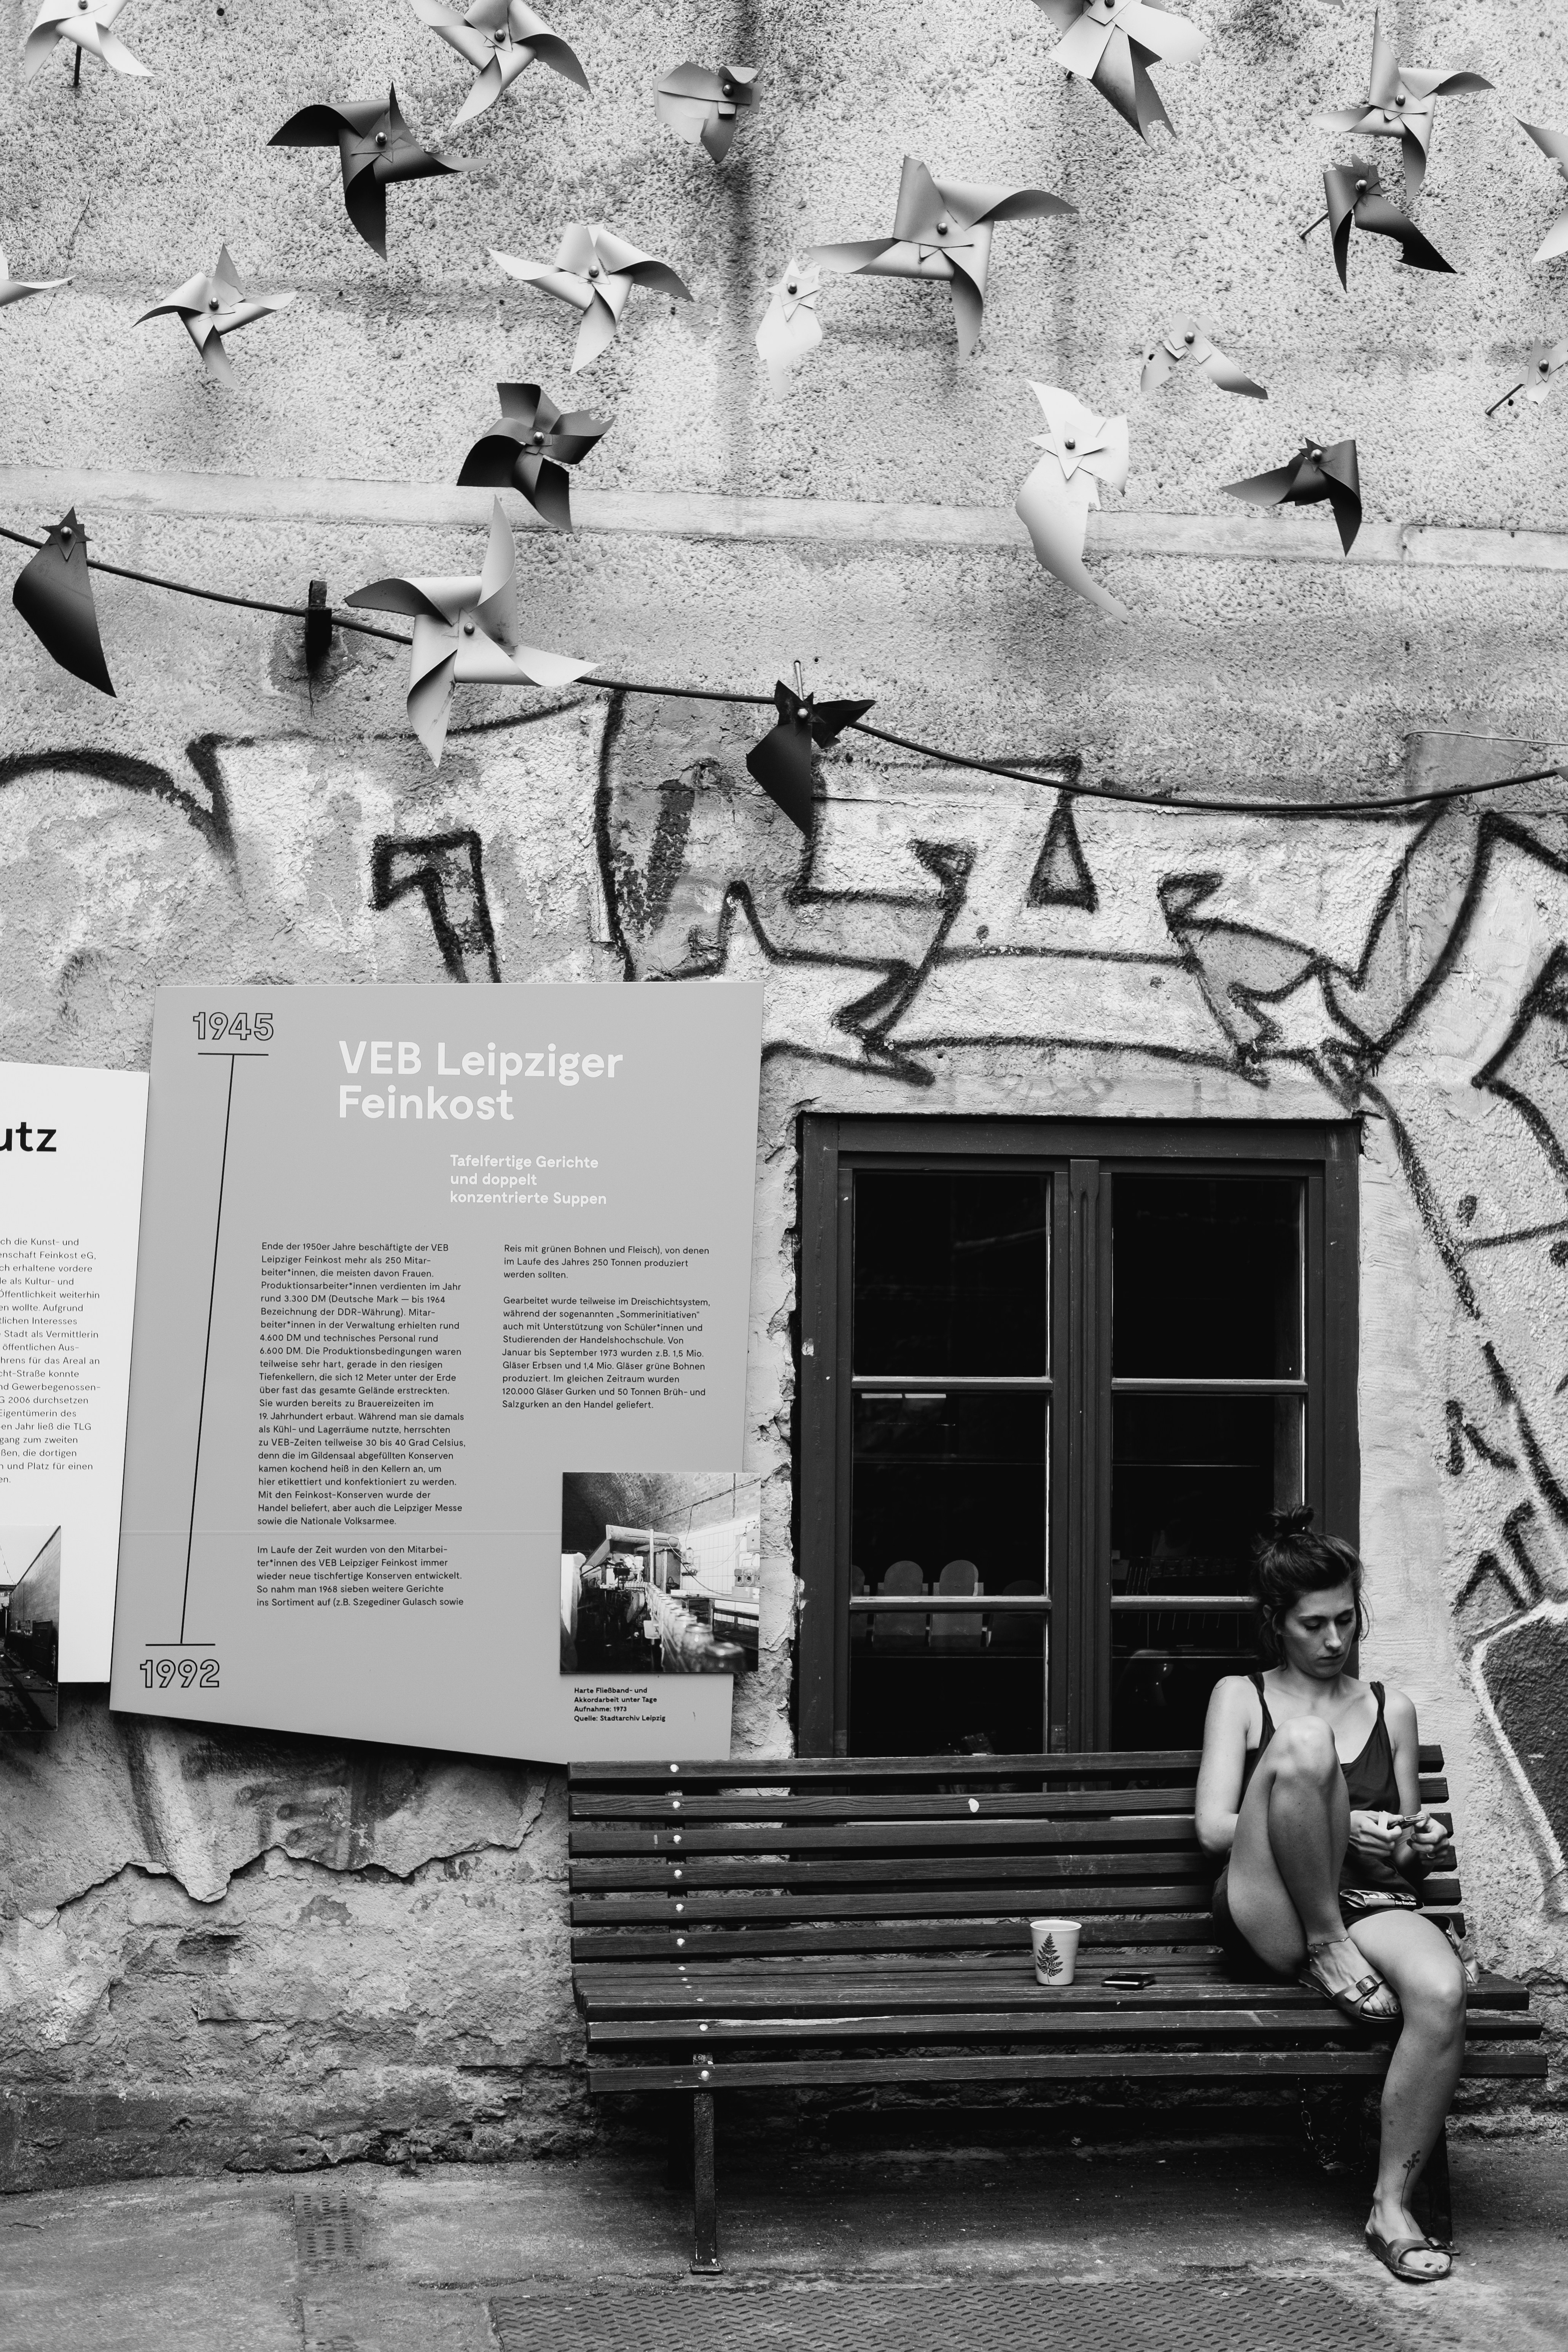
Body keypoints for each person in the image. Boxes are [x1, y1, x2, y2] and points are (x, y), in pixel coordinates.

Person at [1194, 1507, 1466, 2286]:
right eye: (1314, 1624)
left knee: (1442, 1990)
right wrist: (1340, 1822)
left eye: (1347, 1619)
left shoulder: (1392, 1709)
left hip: (1367, 1905)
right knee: (1307, 1743)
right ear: (1277, 1622)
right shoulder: (1240, 1696)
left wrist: (1413, 1841)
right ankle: (1325, 1947)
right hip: (1273, 1908)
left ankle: (1391, 2206)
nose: (1336, 1640)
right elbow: (1215, 1828)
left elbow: (1406, 1859)